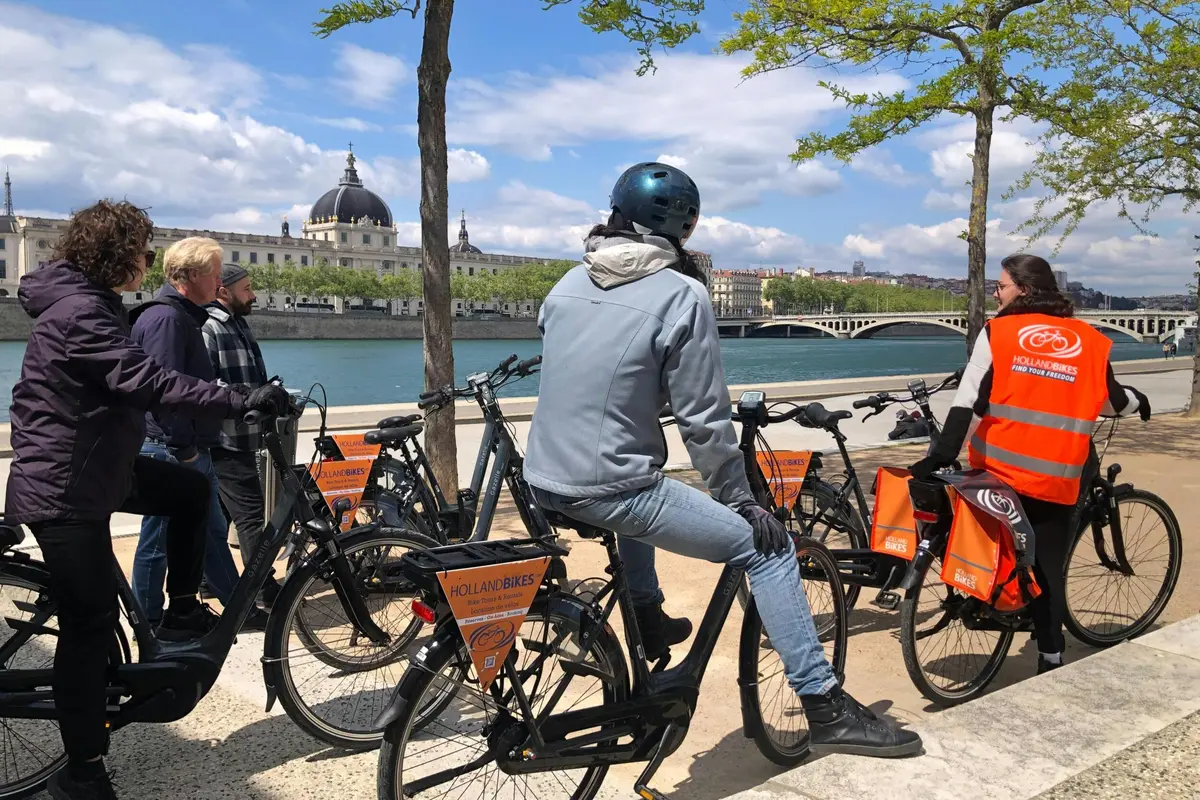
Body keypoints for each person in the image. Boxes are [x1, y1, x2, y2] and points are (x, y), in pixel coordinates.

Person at [524, 162, 922, 757]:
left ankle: (648, 613)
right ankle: (826, 707)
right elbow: (704, 419)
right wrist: (738, 498)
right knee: (766, 548)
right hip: (608, 484)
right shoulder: (681, 294)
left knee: (639, 492)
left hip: (542, 478)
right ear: (683, 228)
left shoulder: (564, 283)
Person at [3, 200, 288, 800]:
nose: (147, 260)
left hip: (98, 468)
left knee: (190, 491)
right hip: (66, 486)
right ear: (116, 255)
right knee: (89, 624)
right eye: (140, 249)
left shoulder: (89, 303)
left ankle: (181, 607)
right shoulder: (83, 312)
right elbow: (148, 381)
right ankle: (80, 774)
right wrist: (240, 399)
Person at [910, 254, 1150, 675]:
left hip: (996, 473)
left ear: (1022, 288)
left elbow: (968, 401)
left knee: (993, 538)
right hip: (1056, 476)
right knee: (1048, 565)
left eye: (1000, 286)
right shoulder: (1090, 341)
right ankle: (1050, 657)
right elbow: (1113, 401)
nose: (996, 294)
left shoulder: (998, 332)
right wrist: (1138, 401)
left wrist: (938, 458)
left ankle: (987, 597)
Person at [129, 238, 269, 632]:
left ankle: (237, 608)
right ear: (192, 276)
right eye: (214, 273)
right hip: (170, 447)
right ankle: (149, 620)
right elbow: (165, 391)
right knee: (157, 541)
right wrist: (184, 448)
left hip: (185, 446)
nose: (218, 281)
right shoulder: (168, 321)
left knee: (209, 532)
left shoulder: (177, 317)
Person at [202, 264, 283, 610]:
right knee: (251, 518)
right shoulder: (210, 328)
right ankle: (262, 592)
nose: (253, 295)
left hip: (240, 435)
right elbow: (202, 384)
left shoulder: (236, 323)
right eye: (247, 289)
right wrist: (249, 399)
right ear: (224, 291)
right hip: (226, 439)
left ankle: (208, 583)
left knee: (216, 516)